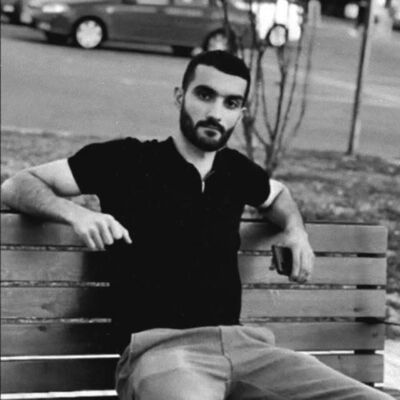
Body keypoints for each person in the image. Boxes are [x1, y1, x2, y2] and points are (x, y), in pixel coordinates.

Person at [1, 51, 392, 400]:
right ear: (180, 96)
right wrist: (76, 214)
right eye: (205, 95)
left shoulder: (236, 172)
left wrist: (296, 230)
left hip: (248, 350)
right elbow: (17, 185)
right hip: (162, 354)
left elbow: (277, 196)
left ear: (242, 112)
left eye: (231, 103)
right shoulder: (127, 161)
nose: (216, 112)